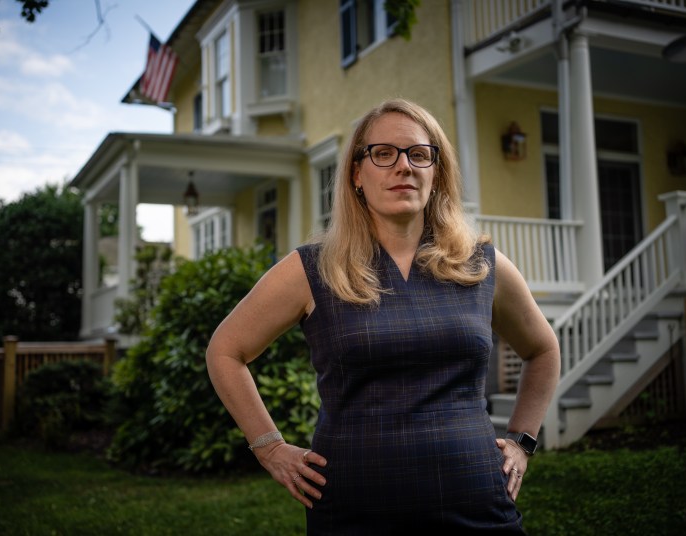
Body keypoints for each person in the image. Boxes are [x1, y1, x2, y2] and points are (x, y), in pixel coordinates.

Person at [206, 98, 560, 534]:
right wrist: (269, 447)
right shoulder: (312, 269)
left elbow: (543, 349)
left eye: (419, 154)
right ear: (357, 174)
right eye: (383, 153)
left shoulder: (481, 264)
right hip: (356, 508)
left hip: (477, 501)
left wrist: (523, 440)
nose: (403, 166)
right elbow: (225, 351)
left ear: (436, 172)